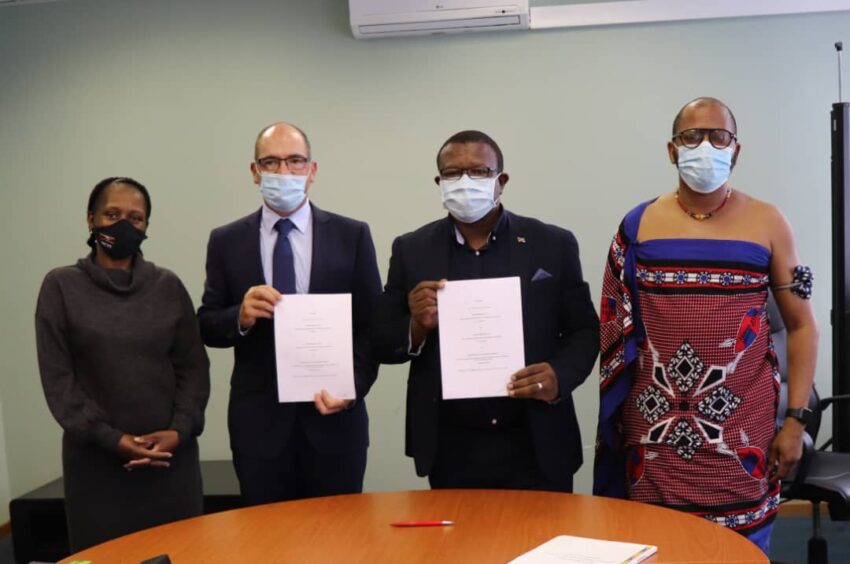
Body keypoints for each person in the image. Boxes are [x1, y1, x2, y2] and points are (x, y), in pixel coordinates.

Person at [594, 97, 819, 554]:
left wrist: (795, 420)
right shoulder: (638, 226)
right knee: (657, 547)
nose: (706, 145)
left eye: (720, 136)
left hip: (742, 432)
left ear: (736, 150)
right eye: (691, 136)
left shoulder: (768, 222)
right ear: (672, 150)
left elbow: (801, 326)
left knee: (739, 553)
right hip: (653, 438)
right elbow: (615, 330)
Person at [372, 130, 600, 491]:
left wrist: (559, 376)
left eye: (479, 172)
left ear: (501, 180)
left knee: (545, 545)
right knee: (457, 548)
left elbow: (584, 331)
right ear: (439, 182)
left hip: (535, 437)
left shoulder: (552, 243)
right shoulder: (411, 249)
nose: (465, 182)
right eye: (452, 173)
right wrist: (416, 326)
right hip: (450, 443)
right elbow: (383, 341)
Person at [198, 122, 382, 505]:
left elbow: (372, 328)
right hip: (259, 427)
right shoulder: (226, 240)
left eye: (295, 161)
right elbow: (207, 324)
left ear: (312, 171)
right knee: (266, 546)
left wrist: (352, 389)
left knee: (339, 543)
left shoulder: (352, 236)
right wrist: (240, 317)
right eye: (271, 162)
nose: (284, 173)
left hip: (335, 422)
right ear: (254, 172)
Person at [35, 177, 210, 551]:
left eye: (136, 218)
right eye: (112, 214)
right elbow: (59, 383)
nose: (123, 226)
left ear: (146, 226)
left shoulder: (168, 286)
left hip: (170, 465)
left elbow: (193, 368)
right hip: (98, 470)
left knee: (184, 555)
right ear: (91, 219)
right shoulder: (61, 287)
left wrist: (179, 431)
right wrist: (113, 440)